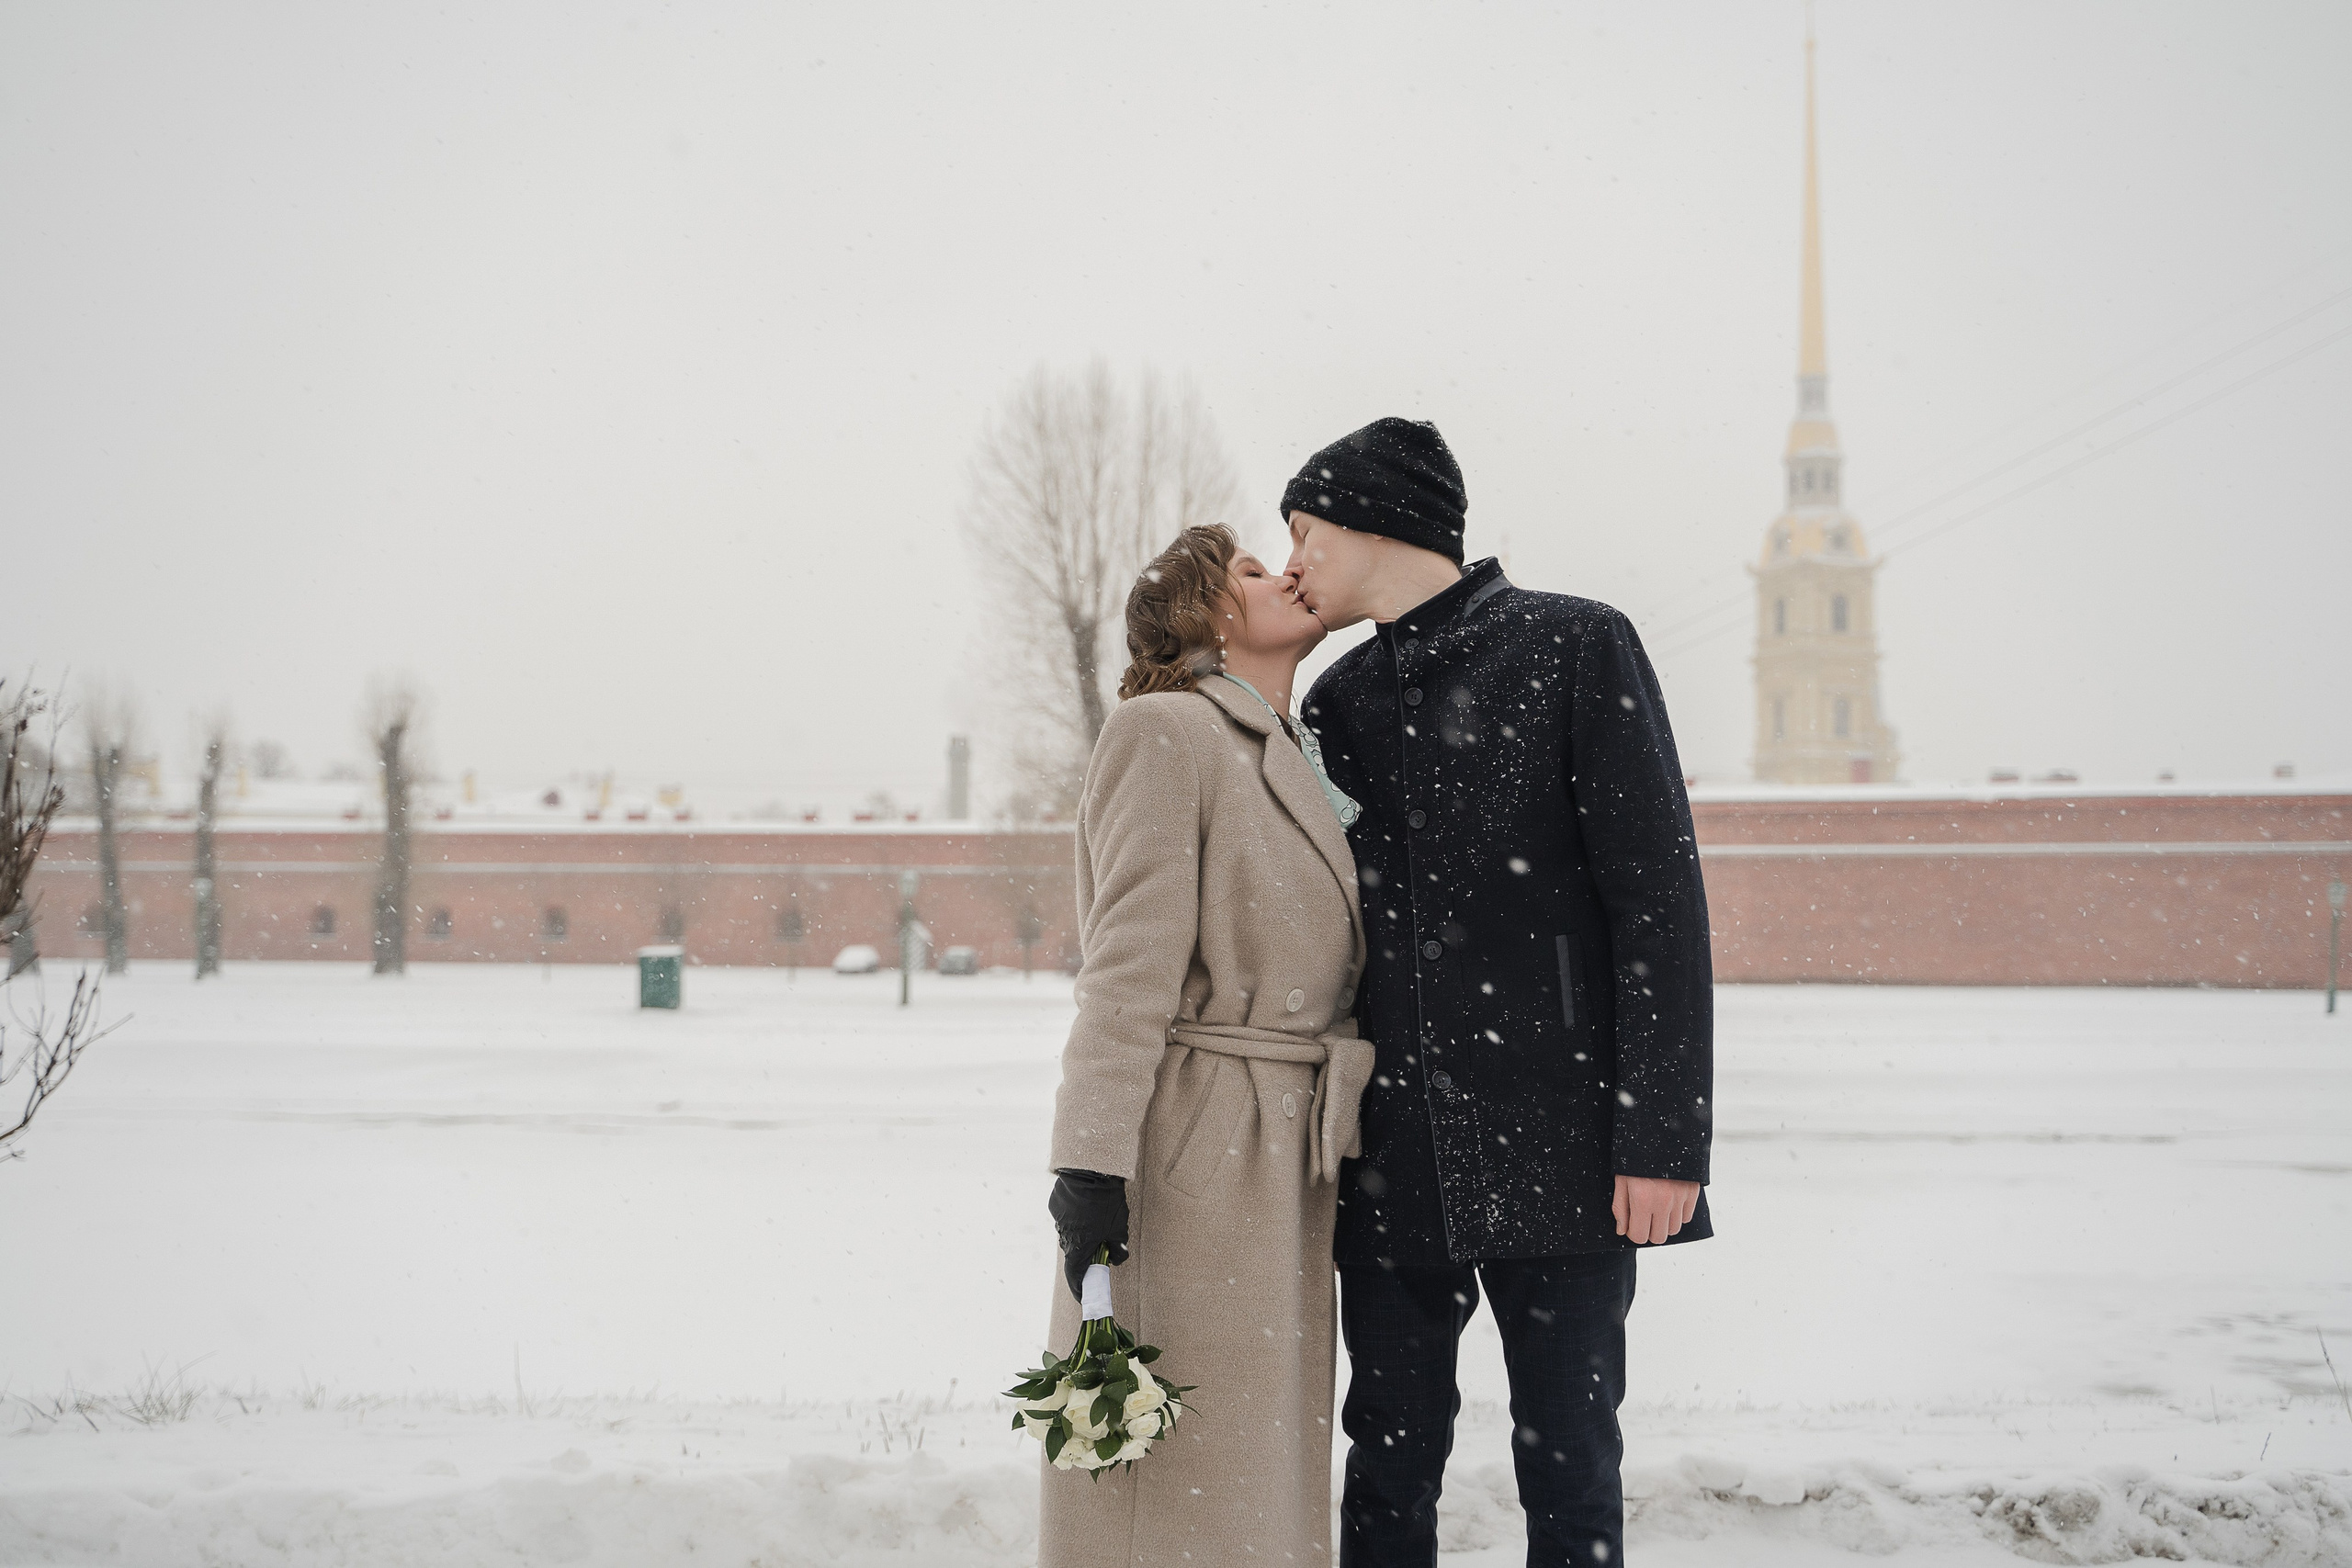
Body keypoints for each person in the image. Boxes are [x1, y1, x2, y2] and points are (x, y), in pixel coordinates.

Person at [1283, 418, 1715, 1568]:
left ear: (1374, 522)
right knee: (1385, 1459)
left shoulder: (1577, 645)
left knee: (1571, 1459)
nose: (1293, 560)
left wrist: (1663, 1140)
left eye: (1305, 530)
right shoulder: (1336, 702)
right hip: (1393, 1153)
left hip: (1567, 1143)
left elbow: (1659, 905)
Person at [1039, 523, 1375, 1567]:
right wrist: (1089, 1166)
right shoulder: (1164, 731)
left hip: (1286, 1149)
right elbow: (1125, 971)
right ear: (1206, 614)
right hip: (1198, 1142)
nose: (1285, 575)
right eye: (1252, 570)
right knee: (1178, 1473)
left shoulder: (1295, 747)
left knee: (1253, 1467)